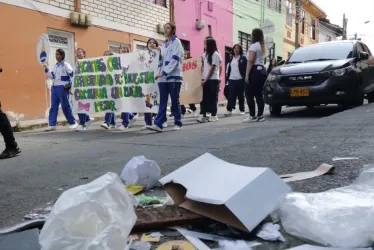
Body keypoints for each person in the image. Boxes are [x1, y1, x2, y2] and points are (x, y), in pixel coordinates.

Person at [148, 22, 184, 132]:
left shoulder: (176, 42)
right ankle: (159, 123)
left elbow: (175, 60)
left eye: (168, 28)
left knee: (174, 101)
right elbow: (161, 59)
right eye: (164, 28)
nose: (165, 30)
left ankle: (178, 122)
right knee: (162, 100)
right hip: (162, 77)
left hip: (173, 77)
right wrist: (156, 50)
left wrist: (163, 72)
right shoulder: (163, 44)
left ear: (173, 30)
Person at [100, 47, 137, 130]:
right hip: (112, 86)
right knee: (110, 103)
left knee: (123, 104)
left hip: (124, 86)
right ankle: (109, 122)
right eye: (122, 49)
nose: (123, 50)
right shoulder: (110, 63)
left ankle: (125, 123)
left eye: (125, 49)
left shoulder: (127, 61)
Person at [44, 49, 78, 131]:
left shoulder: (66, 65)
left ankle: (73, 123)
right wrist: (46, 68)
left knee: (65, 106)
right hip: (55, 88)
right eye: (55, 54)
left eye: (58, 54)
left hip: (62, 88)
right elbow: (52, 76)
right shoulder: (55, 66)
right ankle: (52, 124)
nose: (56, 56)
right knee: (53, 107)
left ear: (62, 55)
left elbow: (72, 76)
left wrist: (69, 85)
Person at [141, 38, 167, 130]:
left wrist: (160, 51)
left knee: (159, 101)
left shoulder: (160, 54)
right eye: (150, 43)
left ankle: (162, 120)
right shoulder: (144, 55)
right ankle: (148, 122)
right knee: (147, 101)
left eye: (154, 43)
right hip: (147, 81)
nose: (152, 44)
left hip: (158, 80)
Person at [244, 28, 267, 123]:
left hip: (255, 71)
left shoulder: (253, 46)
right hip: (262, 70)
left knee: (249, 94)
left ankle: (252, 115)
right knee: (259, 94)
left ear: (253, 35)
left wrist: (247, 75)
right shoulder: (262, 46)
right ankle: (260, 115)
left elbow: (250, 61)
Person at [198, 37, 220, 123]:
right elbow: (201, 66)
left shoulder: (215, 54)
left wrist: (206, 79)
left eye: (205, 44)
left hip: (213, 79)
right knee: (203, 98)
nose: (204, 45)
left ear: (210, 45)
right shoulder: (204, 54)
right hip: (204, 79)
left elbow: (212, 68)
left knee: (212, 98)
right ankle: (203, 114)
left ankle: (214, 115)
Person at [75, 48, 95, 132]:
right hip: (77, 87)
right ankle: (87, 118)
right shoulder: (76, 64)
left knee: (81, 105)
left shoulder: (87, 63)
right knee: (78, 105)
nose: (78, 54)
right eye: (77, 53)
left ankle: (82, 124)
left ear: (84, 54)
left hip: (85, 88)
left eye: (80, 52)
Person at [225, 44, 247, 116]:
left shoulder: (243, 58)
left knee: (241, 96)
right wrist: (227, 79)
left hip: (240, 79)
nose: (236, 50)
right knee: (231, 95)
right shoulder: (231, 58)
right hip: (232, 79)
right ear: (233, 50)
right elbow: (229, 69)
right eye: (235, 48)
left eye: (238, 48)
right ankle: (229, 110)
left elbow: (246, 68)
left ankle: (242, 109)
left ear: (240, 50)